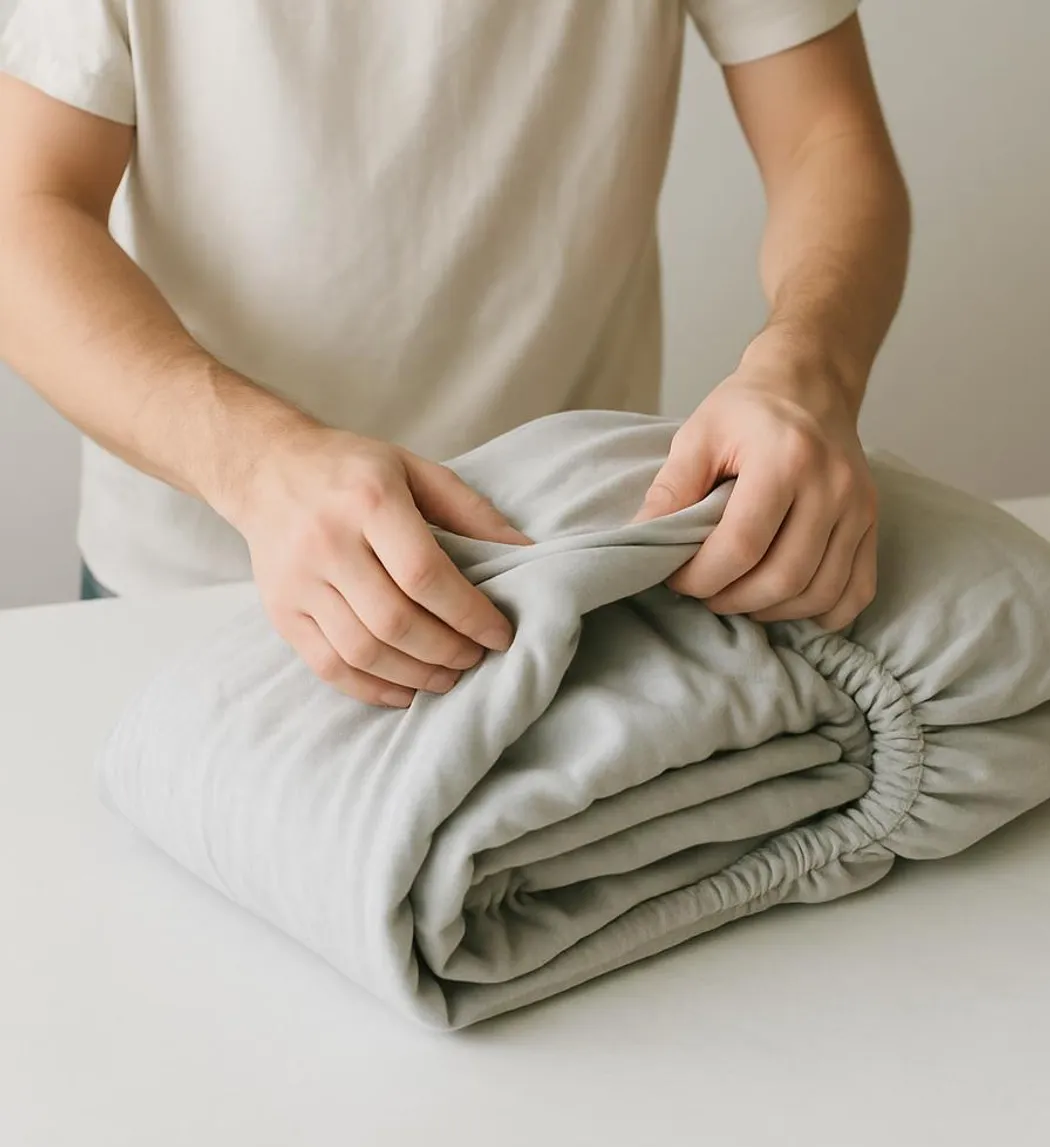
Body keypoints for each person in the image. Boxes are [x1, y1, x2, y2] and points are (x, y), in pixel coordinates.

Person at [0, 0, 910, 708]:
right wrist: (257, 466)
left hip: (565, 564)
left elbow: (823, 140)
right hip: (196, 579)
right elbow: (24, 209)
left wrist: (806, 374)